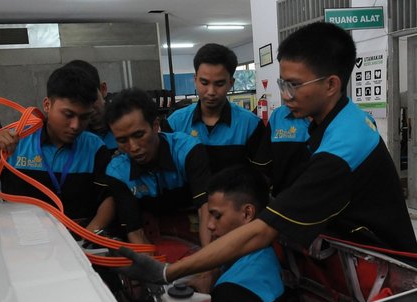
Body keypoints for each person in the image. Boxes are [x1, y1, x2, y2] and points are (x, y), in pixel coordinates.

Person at [116, 22, 417, 285]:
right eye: (282, 83)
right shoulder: (334, 121)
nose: (285, 95)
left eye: (294, 85)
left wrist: (169, 272)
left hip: (393, 272)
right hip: (357, 259)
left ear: (331, 84)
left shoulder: (344, 146)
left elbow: (263, 231)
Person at [0, 65, 114, 233]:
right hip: (22, 241)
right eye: (68, 114)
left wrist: (89, 236)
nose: (75, 125)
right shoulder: (15, 142)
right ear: (47, 105)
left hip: (79, 245)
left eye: (84, 117)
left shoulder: (95, 148)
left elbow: (108, 197)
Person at [189, 164, 283, 302]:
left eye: (217, 216)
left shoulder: (230, 293)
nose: (209, 225)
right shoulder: (264, 253)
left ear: (247, 213)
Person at [104, 88, 212, 246]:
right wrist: (156, 270)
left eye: (139, 135)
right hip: (154, 234)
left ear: (155, 125)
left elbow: (206, 212)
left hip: (195, 228)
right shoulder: (117, 173)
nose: (133, 147)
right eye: (122, 140)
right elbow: (135, 232)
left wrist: (209, 264)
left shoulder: (188, 151)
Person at [162, 43, 266, 173]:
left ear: (231, 83)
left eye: (219, 83)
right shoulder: (175, 123)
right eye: (204, 82)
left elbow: (260, 177)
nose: (211, 91)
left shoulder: (251, 125)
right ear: (195, 80)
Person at [63, 59, 118, 154]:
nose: (87, 109)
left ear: (103, 89)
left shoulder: (126, 124)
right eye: (77, 103)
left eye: (91, 99)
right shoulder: (70, 138)